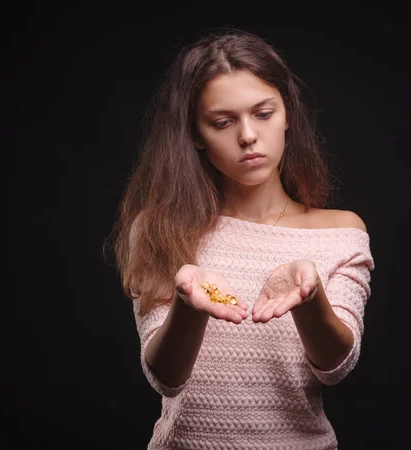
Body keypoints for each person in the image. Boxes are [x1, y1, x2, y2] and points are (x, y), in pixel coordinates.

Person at [106, 28, 375, 450]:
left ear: (288, 115)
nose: (247, 136)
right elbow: (165, 378)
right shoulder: (159, 229)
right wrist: (188, 305)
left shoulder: (341, 233)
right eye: (223, 122)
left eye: (263, 114)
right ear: (196, 134)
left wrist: (310, 295)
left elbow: (335, 366)